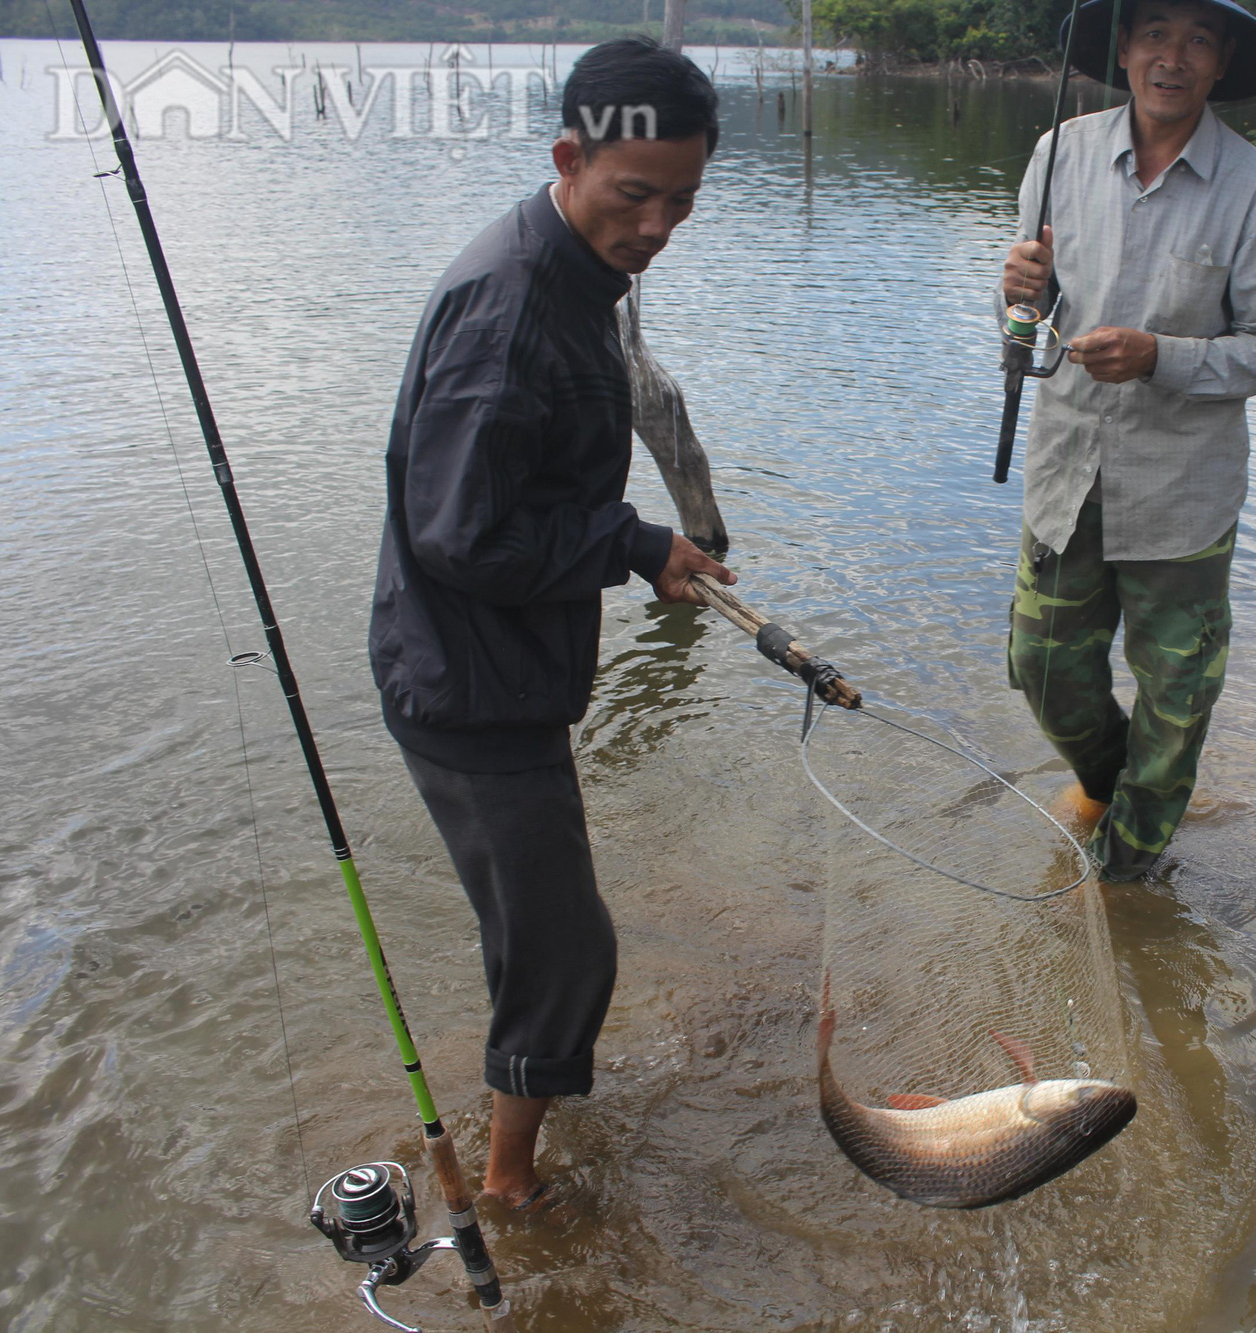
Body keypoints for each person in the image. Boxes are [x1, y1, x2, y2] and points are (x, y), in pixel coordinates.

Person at [368, 36, 734, 1210]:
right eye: (635, 195)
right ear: (569, 158)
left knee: (539, 931)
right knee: (564, 947)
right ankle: (507, 1183)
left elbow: (518, 498)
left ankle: (511, 1137)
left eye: (681, 199)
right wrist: (626, 545)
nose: (658, 225)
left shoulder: (574, 272)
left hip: (494, 666)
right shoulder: (513, 304)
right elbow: (457, 533)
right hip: (466, 684)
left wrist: (638, 545)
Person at [1000, 0, 1256, 881]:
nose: (1173, 57)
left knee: (1177, 699)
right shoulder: (1059, 151)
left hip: (1182, 492)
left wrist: (1158, 357)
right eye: (1157, 34)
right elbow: (1026, 323)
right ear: (1124, 47)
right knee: (1041, 666)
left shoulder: (1253, 187)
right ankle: (1108, 781)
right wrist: (1017, 292)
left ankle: (1130, 870)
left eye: (1198, 40)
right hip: (1068, 472)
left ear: (1221, 62)